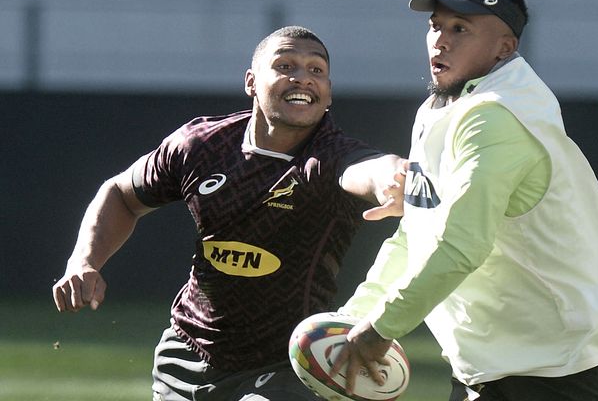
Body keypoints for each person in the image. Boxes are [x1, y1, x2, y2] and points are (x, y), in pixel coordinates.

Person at [331, 0, 598, 400]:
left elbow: (461, 246)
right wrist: (354, 316)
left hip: (568, 373)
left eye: (460, 28)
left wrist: (380, 329)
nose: (440, 40)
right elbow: (416, 234)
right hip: (494, 370)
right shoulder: (441, 108)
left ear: (505, 47)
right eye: (436, 26)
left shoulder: (495, 115)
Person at [52, 25, 406, 401]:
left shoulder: (329, 158)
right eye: (286, 66)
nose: (302, 77)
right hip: (185, 354)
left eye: (316, 70)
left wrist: (392, 178)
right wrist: (83, 262)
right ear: (251, 82)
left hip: (283, 366)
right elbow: (121, 194)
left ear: (328, 92)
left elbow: (369, 169)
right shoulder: (201, 146)